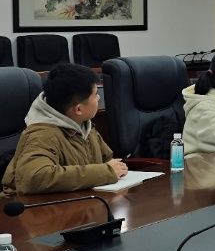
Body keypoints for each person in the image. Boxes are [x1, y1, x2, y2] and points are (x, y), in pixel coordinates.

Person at [2, 63, 127, 195]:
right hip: (31, 205)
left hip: (78, 199)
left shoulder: (83, 124)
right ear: (78, 109)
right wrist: (106, 172)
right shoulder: (42, 135)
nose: (99, 97)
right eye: (95, 94)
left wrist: (115, 168)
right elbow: (34, 178)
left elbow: (107, 159)